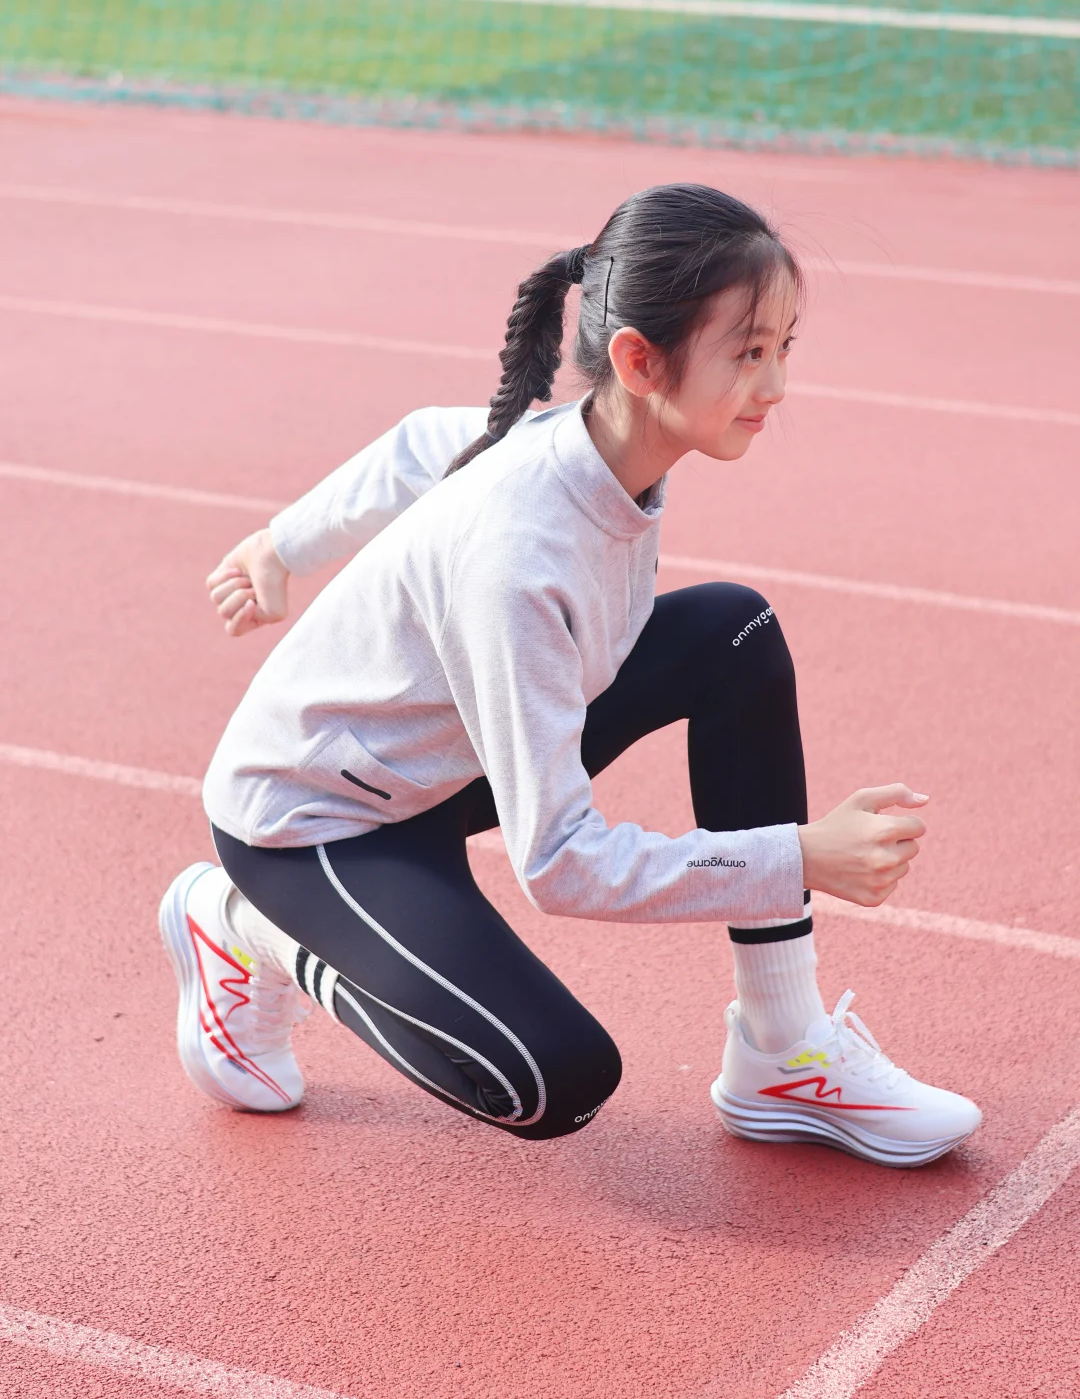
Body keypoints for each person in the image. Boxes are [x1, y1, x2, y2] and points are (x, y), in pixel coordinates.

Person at [160, 183, 980, 1167]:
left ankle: (783, 1046)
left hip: (440, 769)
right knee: (552, 1081)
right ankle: (242, 927)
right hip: (316, 823)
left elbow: (421, 444)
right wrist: (799, 856)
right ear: (639, 360)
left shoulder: (577, 444)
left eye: (784, 348)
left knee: (734, 630)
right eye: (748, 353)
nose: (775, 387)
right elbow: (559, 862)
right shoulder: (520, 561)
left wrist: (281, 546)